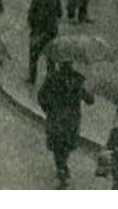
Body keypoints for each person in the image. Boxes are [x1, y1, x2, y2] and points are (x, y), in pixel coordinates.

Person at [38, 59, 95, 188]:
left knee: (57, 144)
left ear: (59, 63)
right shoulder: (78, 79)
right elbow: (90, 100)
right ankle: (63, 167)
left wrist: (48, 109)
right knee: (66, 144)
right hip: (71, 120)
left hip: (56, 117)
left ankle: (61, 168)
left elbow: (41, 96)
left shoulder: (52, 78)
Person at [27, 0, 63, 85]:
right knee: (51, 58)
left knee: (33, 56)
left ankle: (32, 78)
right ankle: (50, 80)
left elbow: (30, 17)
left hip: (38, 32)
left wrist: (33, 28)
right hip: (51, 32)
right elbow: (60, 14)